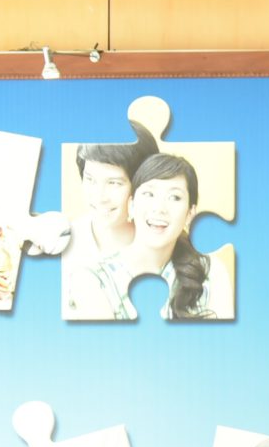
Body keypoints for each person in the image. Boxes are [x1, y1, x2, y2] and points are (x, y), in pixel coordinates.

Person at [57, 127, 160, 322]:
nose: (99, 197)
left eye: (114, 183)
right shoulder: (61, 243)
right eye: (90, 179)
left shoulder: (167, 244)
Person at [125, 153, 218, 322]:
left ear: (190, 214)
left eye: (174, 197)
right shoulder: (96, 276)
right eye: (149, 194)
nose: (159, 208)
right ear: (131, 205)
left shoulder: (210, 271)